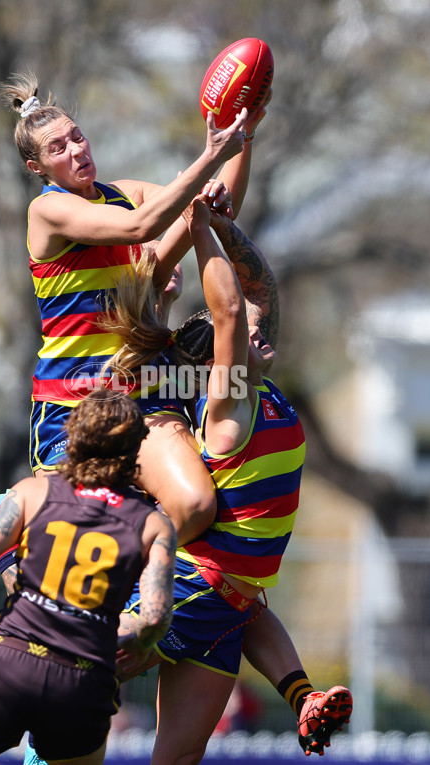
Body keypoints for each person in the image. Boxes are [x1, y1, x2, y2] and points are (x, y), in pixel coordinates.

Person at [0, 70, 263, 579]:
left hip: (145, 394)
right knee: (43, 574)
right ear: (38, 167)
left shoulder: (121, 192)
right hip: (74, 405)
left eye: (78, 136)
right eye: (59, 147)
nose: (76, 149)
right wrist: (211, 153)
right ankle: (13, 526)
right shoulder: (48, 211)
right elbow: (142, 227)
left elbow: (211, 206)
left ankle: (103, 568)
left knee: (194, 507)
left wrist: (245, 130)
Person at [106, 196, 352, 762]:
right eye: (247, 338)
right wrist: (197, 232)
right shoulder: (227, 406)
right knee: (69, 677)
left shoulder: (262, 392)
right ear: (222, 361)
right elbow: (234, 314)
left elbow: (260, 291)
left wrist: (223, 226)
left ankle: (303, 695)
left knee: (177, 759)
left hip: (228, 613)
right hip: (188, 593)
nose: (260, 333)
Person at [0, 390, 177, 765]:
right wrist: (144, 644)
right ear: (136, 451)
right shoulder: (154, 524)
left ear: (74, 437)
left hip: (9, 665)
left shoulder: (34, 491)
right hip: (82, 682)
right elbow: (156, 615)